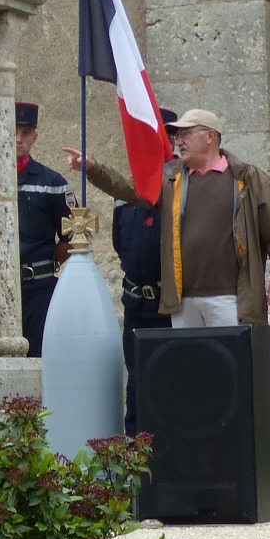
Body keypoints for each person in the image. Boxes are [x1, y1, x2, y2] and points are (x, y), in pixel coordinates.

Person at [65, 107, 270, 328]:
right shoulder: (171, 179)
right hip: (184, 303)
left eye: (185, 134)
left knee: (233, 366)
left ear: (210, 137)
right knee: (188, 367)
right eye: (177, 135)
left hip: (232, 300)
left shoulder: (247, 178)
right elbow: (130, 190)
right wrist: (94, 168)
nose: (178, 141)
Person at [110, 108, 175, 434]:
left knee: (170, 376)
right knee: (136, 377)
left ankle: (170, 444)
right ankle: (135, 445)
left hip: (170, 305)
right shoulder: (127, 194)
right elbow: (121, 245)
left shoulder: (181, 188)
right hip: (137, 303)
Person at [15, 102, 72, 357]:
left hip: (38, 288)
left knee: (38, 357)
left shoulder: (53, 183)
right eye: (13, 131)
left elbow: (72, 232)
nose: (18, 139)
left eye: (25, 133)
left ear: (35, 138)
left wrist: (52, 259)